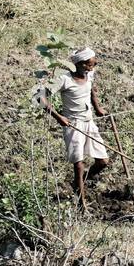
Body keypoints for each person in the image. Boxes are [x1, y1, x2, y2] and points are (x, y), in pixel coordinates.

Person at [44, 47, 110, 208]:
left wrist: (98, 108)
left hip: (89, 122)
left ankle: (78, 184)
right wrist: (59, 117)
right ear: (81, 64)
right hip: (73, 124)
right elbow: (40, 98)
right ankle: (82, 203)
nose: (94, 65)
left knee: (103, 161)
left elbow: (91, 90)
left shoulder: (89, 74)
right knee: (79, 165)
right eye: (91, 63)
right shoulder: (64, 79)